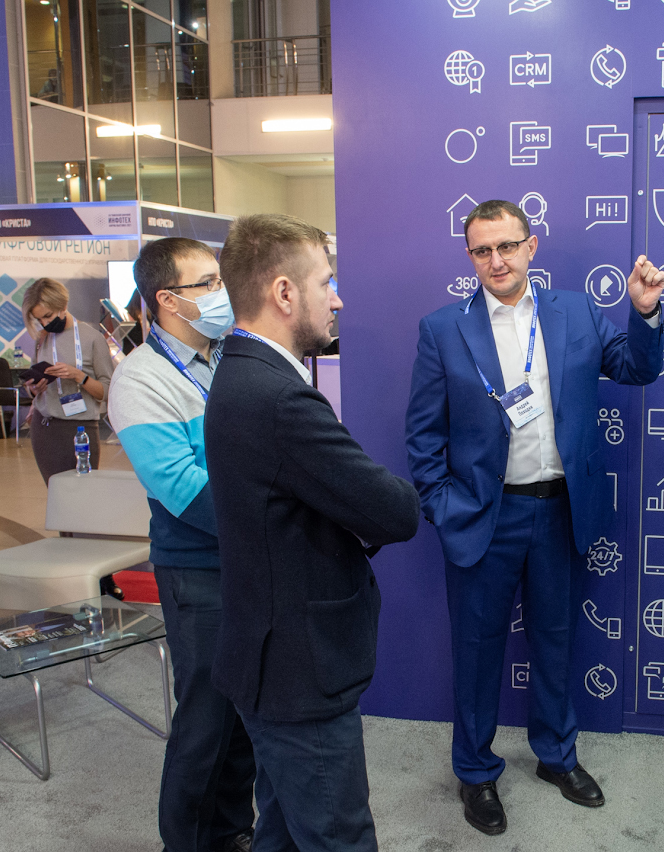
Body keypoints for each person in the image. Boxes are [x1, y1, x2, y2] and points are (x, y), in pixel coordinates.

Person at [405, 199, 664, 835]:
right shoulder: (443, 329)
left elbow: (636, 368)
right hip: (484, 516)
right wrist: (444, 507)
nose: (495, 260)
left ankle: (556, 756)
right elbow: (423, 436)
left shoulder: (576, 311)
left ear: (531, 246)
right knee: (476, 652)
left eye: (506, 246)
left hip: (560, 511)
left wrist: (643, 313)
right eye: (481, 250)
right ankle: (475, 771)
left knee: (555, 639)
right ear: (470, 256)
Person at [205, 213, 420, 852]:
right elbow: (395, 511)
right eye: (327, 282)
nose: (338, 298)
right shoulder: (277, 398)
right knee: (337, 836)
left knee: (282, 832)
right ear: (284, 292)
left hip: (271, 656)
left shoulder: (243, 373)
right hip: (298, 671)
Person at [107, 238, 256, 852]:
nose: (224, 292)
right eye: (209, 282)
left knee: (244, 712)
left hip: (248, 557)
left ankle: (233, 829)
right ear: (168, 299)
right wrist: (272, 524)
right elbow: (183, 489)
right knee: (205, 717)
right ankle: (187, 841)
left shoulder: (229, 357)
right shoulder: (141, 379)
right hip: (198, 568)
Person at [21, 277, 114, 483]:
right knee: (55, 491)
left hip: (80, 428)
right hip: (44, 426)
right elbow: (32, 389)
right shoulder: (41, 339)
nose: (45, 324)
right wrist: (35, 388)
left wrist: (79, 376)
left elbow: (107, 391)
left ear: (63, 305)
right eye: (39, 320)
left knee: (82, 491)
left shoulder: (92, 338)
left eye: (48, 316)